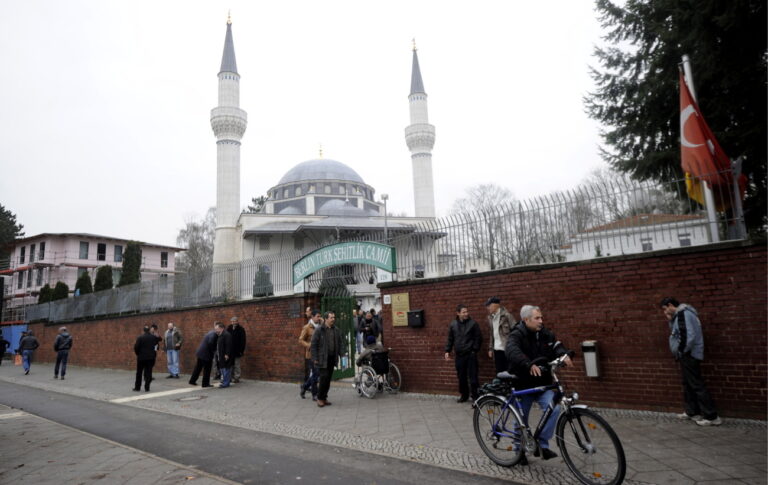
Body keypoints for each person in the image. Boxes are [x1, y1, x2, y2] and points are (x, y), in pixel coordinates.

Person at [506, 305, 573, 464]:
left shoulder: (545, 333)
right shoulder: (517, 334)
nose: (541, 321)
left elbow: (556, 345)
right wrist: (528, 364)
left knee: (554, 409)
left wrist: (564, 355)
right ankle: (519, 450)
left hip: (543, 383)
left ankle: (541, 445)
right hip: (524, 385)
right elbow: (512, 351)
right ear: (526, 320)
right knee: (521, 420)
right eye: (537, 318)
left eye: (541, 317)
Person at [660, 297, 722, 426]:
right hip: (688, 354)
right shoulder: (680, 315)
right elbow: (677, 332)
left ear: (670, 305)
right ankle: (692, 412)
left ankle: (711, 416)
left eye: (665, 309)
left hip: (689, 354)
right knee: (688, 383)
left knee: (696, 384)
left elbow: (687, 335)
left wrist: (681, 351)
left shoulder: (683, 314)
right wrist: (670, 320)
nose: (664, 312)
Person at [444, 304, 482, 403]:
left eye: (467, 311)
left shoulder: (473, 324)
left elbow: (478, 338)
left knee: (473, 377)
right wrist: (447, 350)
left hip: (471, 355)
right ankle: (464, 395)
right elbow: (450, 339)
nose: (466, 314)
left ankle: (475, 397)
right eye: (464, 312)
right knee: (461, 377)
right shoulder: (453, 325)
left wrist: (474, 350)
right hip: (459, 356)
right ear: (458, 313)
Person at [311, 311, 345, 407]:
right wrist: (315, 358)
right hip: (322, 359)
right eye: (331, 317)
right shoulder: (319, 330)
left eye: (334, 317)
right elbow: (313, 345)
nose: (333, 319)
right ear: (326, 319)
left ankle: (324, 397)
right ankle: (320, 398)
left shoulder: (336, 330)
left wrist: (342, 355)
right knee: (323, 378)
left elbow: (340, 343)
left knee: (328, 379)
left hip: (332, 358)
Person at [486, 297, 513, 374]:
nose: (488, 308)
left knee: (508, 372)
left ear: (495, 305)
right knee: (499, 373)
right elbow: (492, 334)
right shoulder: (490, 318)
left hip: (507, 349)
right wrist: (490, 348)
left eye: (489, 306)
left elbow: (515, 331)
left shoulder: (507, 316)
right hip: (496, 350)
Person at [299, 309, 321, 400]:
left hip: (320, 354)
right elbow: (300, 340)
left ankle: (304, 386)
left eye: (320, 316)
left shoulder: (320, 326)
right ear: (312, 317)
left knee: (316, 374)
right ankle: (314, 395)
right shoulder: (307, 327)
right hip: (311, 354)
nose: (319, 318)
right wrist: (308, 345)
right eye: (317, 316)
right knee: (316, 373)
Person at [189, 323, 220, 388]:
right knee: (207, 369)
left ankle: (192, 380)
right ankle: (205, 383)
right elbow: (211, 343)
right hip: (206, 355)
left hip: (200, 352)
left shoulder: (211, 332)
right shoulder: (214, 335)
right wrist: (213, 351)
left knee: (198, 367)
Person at [133, 326, 157, 392]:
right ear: (149, 330)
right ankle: (147, 387)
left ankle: (137, 387)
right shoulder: (153, 337)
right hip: (150, 358)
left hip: (141, 358)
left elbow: (136, 347)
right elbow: (156, 346)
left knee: (139, 373)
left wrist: (138, 354)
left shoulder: (140, 337)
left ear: (143, 331)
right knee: (149, 372)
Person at [226, 317, 246, 383]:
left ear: (237, 321)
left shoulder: (241, 329)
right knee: (230, 364)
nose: (233, 323)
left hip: (237, 350)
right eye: (232, 321)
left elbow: (243, 341)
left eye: (235, 321)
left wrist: (241, 351)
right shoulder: (229, 328)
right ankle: (231, 377)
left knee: (237, 364)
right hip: (230, 351)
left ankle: (237, 377)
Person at [216, 322, 234, 388]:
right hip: (221, 355)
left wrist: (227, 354)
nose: (216, 330)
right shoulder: (221, 334)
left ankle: (226, 383)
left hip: (225, 355)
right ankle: (225, 382)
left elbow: (228, 345)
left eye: (217, 328)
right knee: (223, 369)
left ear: (221, 328)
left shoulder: (226, 335)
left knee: (226, 369)